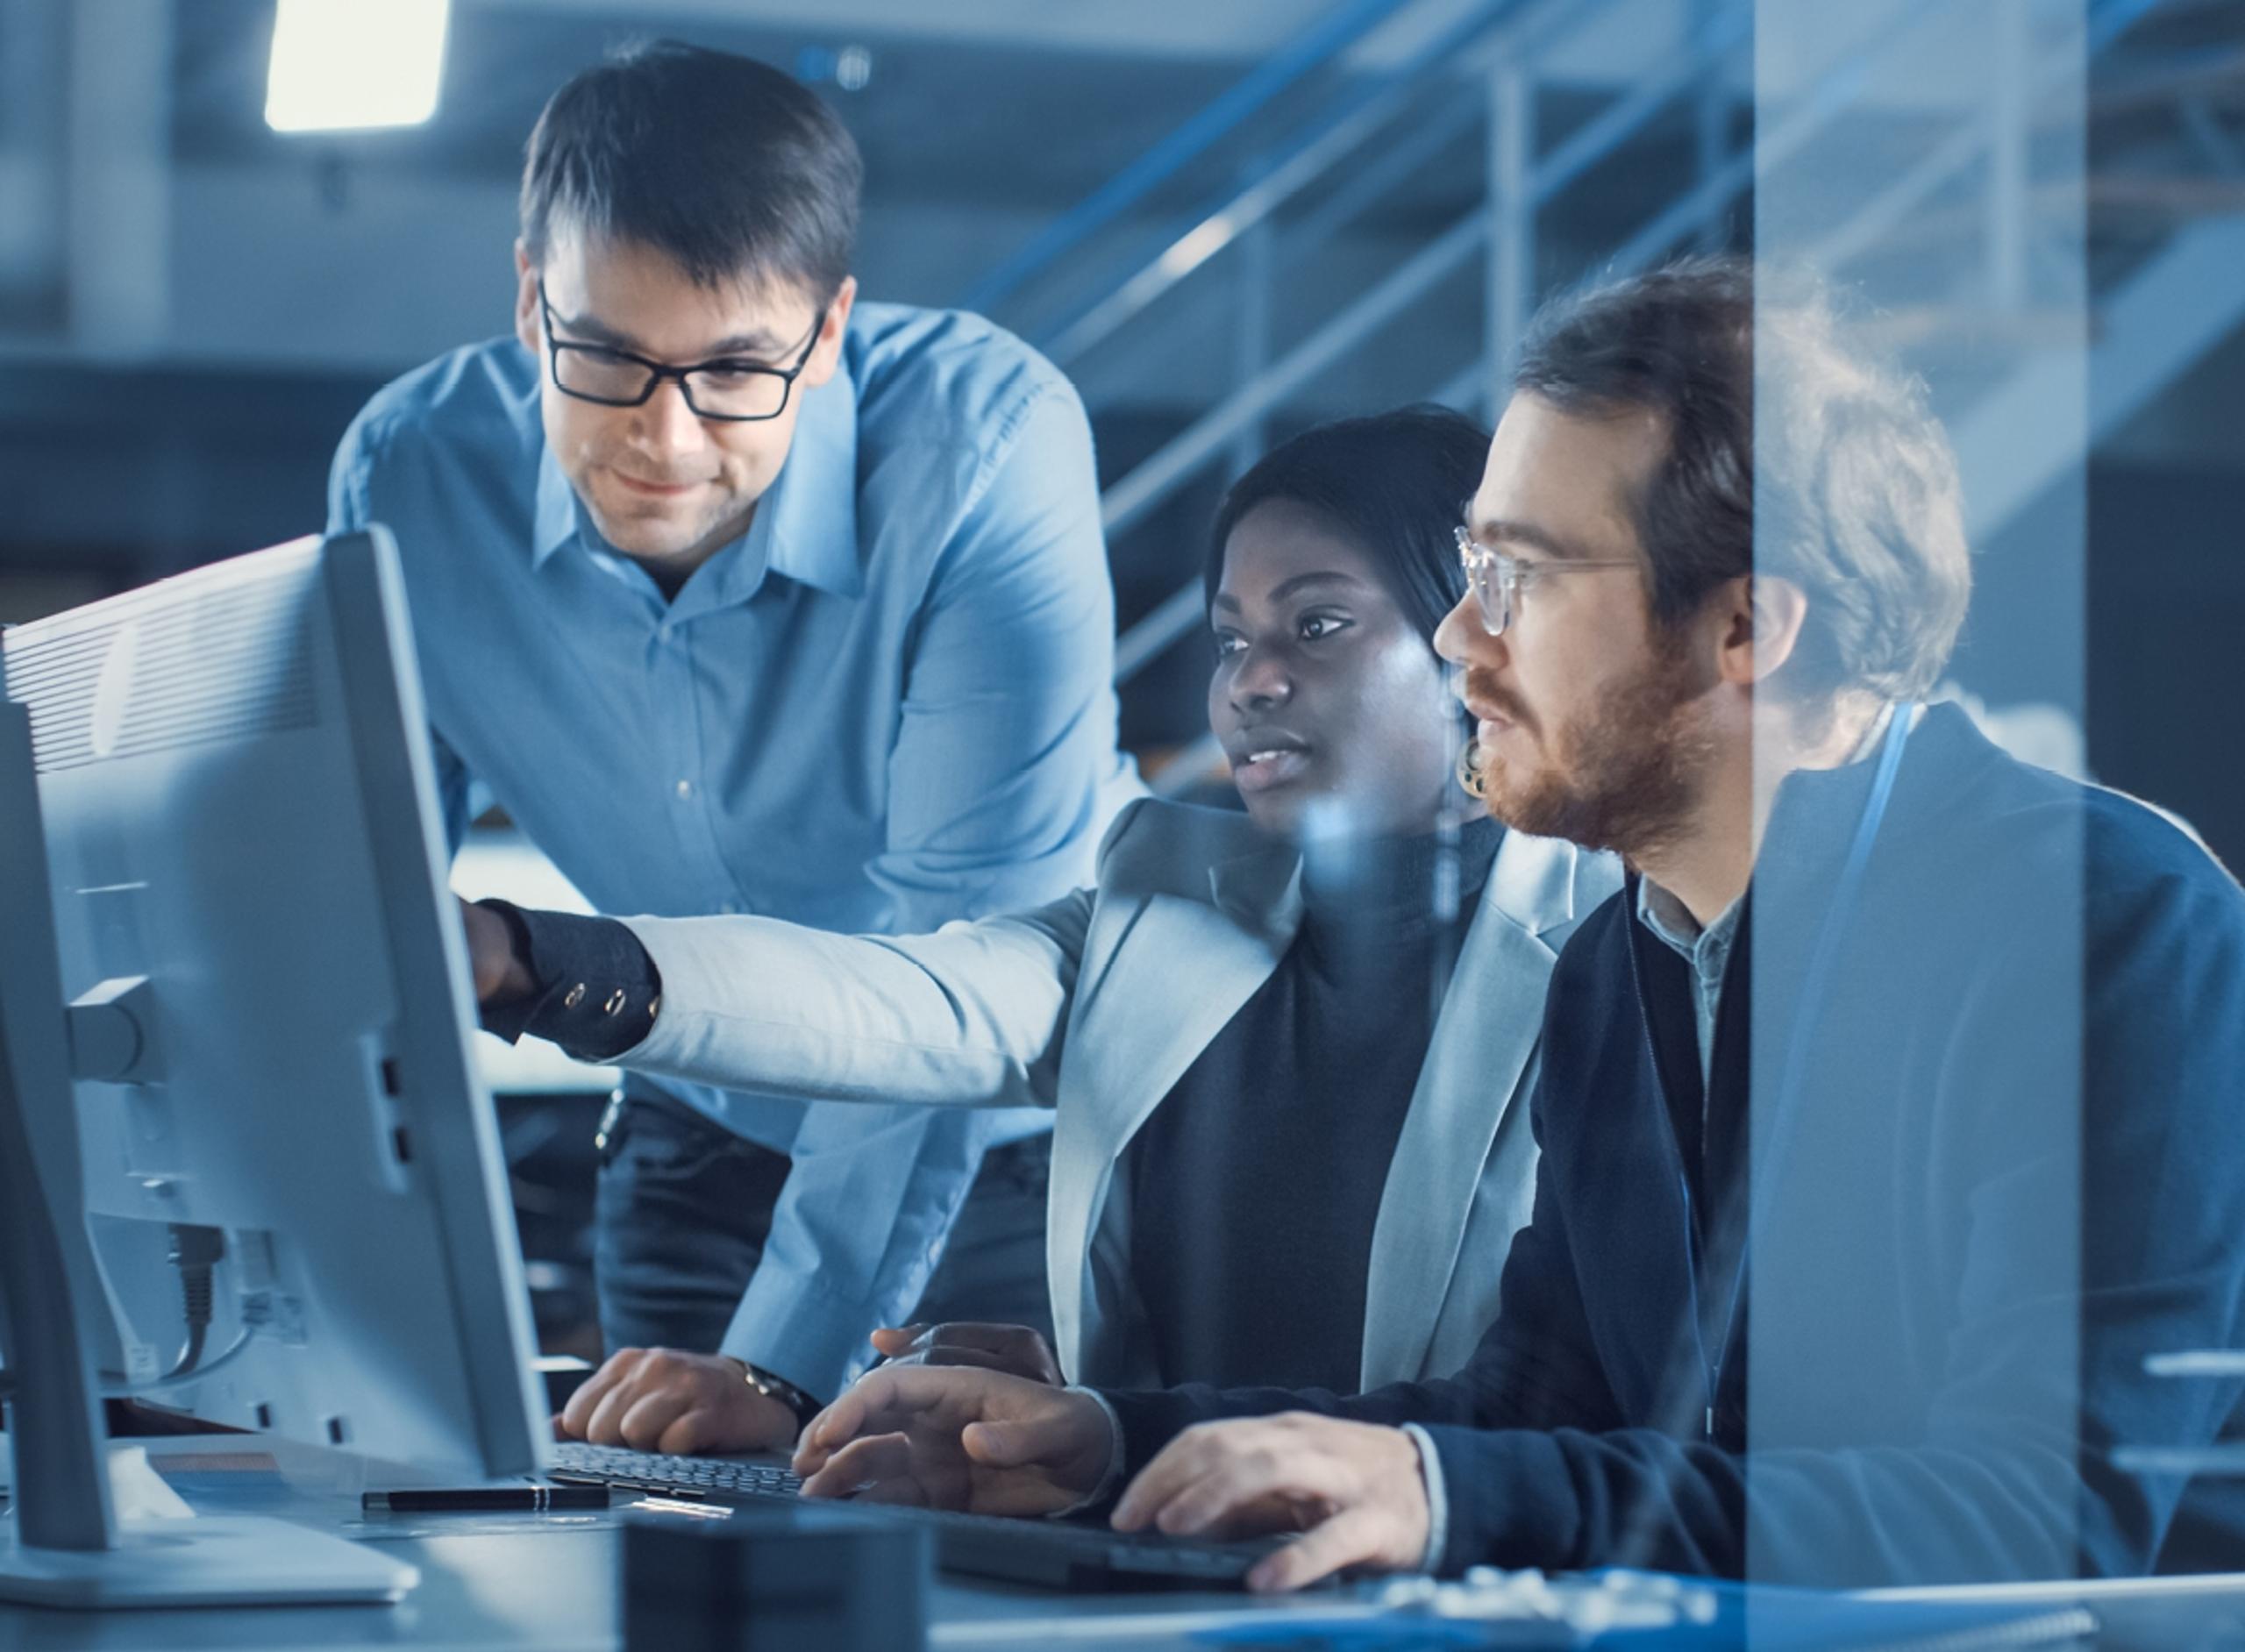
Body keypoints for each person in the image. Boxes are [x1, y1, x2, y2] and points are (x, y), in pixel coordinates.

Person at [784, 260, 2245, 1592]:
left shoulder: (2102, 927)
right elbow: (1534, 1411)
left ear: (1749, 628)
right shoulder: (1629, 956)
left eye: (1518, 580)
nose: (1460, 640)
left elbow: (2035, 1517)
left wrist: (1451, 1492)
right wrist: (1106, 1445)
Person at [463, 407, 1621, 1447]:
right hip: (1175, 1588)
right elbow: (901, 1003)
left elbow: (1565, 1410)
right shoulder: (1161, 896)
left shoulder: (1621, 945)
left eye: (1317, 625)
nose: (1250, 683)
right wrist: (533, 963)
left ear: (1474, 642)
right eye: (1230, 639)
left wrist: (1102, 1420)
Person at [327, 41, 1138, 1453]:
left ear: (826, 334)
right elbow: (361, 901)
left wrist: (780, 1364)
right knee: (654, 1556)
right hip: (692, 1127)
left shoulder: (985, 449)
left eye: (736, 371)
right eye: (606, 355)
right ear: (531, 298)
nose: (666, 436)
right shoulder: (408, 473)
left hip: (1009, 1151)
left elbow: (961, 979)